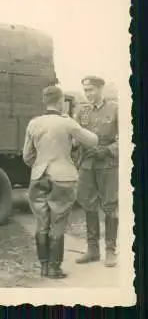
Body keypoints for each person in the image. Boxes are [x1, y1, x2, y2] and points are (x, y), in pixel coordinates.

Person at [22, 86, 99, 279]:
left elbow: (26, 156)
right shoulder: (67, 123)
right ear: (60, 101)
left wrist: (40, 164)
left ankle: (44, 267)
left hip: (38, 176)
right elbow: (93, 141)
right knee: (58, 222)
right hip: (62, 177)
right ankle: (55, 269)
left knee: (42, 222)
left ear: (44, 101)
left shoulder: (34, 123)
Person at [74, 76, 119, 268]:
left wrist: (108, 150)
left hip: (107, 164)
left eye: (91, 89)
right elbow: (75, 136)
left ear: (101, 89)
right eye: (85, 90)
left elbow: (128, 138)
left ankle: (110, 250)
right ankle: (92, 250)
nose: (88, 93)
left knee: (109, 206)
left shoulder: (115, 109)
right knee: (88, 205)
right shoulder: (81, 111)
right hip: (86, 165)